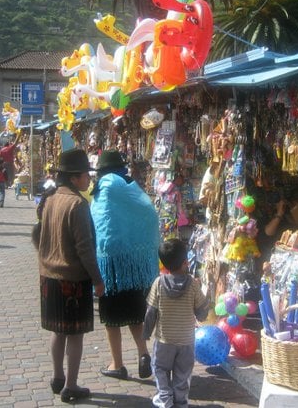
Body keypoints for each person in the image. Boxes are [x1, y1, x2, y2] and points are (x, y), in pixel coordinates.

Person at [35, 148, 104, 403]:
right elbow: (84, 248)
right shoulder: (77, 204)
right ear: (75, 178)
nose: (89, 179)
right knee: (75, 334)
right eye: (86, 175)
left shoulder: (50, 200)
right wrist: (97, 279)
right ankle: (71, 386)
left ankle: (57, 377)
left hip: (49, 276)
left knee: (57, 331)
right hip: (72, 279)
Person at [90, 150, 160, 381]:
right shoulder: (131, 187)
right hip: (133, 265)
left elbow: (99, 221)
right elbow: (148, 215)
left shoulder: (105, 186)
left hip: (109, 263)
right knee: (133, 313)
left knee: (111, 318)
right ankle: (143, 354)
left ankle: (117, 364)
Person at [143, 239, 209, 408]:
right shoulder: (193, 285)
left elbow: (151, 312)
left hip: (165, 340)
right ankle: (180, 402)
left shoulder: (158, 283)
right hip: (186, 341)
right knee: (182, 373)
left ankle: (165, 398)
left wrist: (146, 332)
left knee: (159, 368)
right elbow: (202, 311)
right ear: (186, 262)